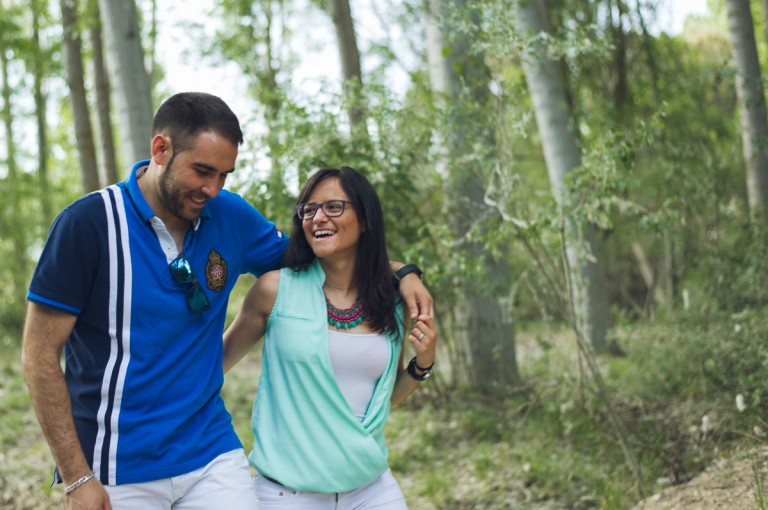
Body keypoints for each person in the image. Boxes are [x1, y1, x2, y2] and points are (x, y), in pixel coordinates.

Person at [21, 93, 432, 510]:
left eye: (224, 175)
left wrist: (400, 271)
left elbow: (322, 256)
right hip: (118, 463)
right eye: (203, 171)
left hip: (211, 450)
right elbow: (38, 357)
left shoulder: (229, 215)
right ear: (160, 149)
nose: (213, 189)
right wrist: (77, 477)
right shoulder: (87, 225)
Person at [223, 166, 438, 508]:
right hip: (288, 492)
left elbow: (382, 400)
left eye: (333, 207)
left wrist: (422, 364)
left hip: (370, 486)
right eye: (309, 209)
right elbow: (215, 364)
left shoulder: (392, 299)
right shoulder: (274, 290)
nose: (318, 217)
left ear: (365, 219)